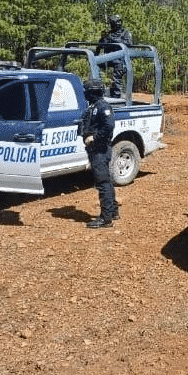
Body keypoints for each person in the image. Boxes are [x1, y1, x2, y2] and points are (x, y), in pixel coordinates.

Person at [79, 79, 119, 228]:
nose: (85, 94)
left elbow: (109, 125)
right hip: (96, 150)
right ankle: (113, 212)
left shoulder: (102, 106)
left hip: (100, 150)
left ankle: (106, 218)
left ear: (92, 92)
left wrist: (94, 137)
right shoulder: (94, 106)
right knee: (106, 181)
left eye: (87, 92)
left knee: (103, 184)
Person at [97, 13, 134, 98]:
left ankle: (116, 95)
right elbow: (101, 45)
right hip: (109, 57)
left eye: (117, 22)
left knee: (117, 76)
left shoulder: (125, 33)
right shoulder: (109, 33)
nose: (117, 24)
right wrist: (103, 40)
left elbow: (128, 43)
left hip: (120, 59)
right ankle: (98, 88)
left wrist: (113, 40)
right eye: (114, 23)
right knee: (97, 64)